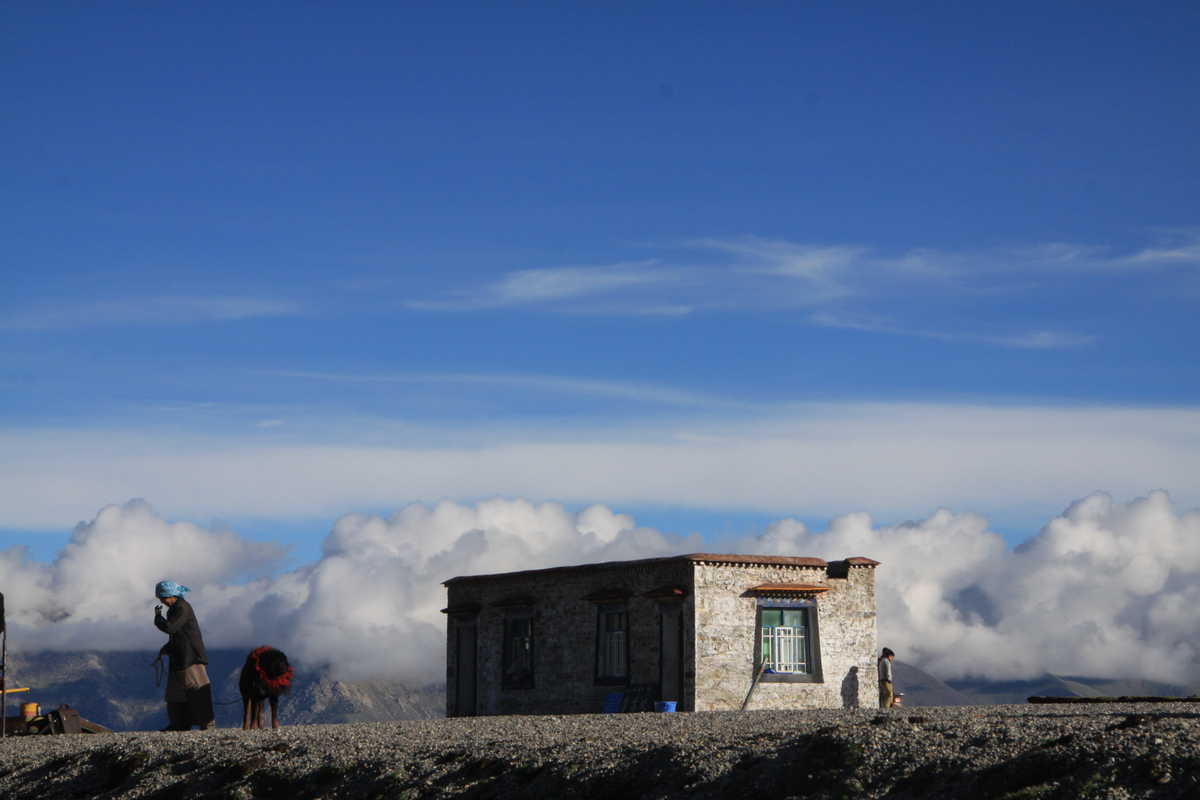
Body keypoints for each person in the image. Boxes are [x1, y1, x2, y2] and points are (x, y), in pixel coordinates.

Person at [153, 581, 215, 730]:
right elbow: (181, 634)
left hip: (190, 658)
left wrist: (158, 617)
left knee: (195, 691)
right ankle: (179, 723)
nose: (161, 600)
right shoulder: (176, 608)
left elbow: (170, 628)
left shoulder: (182, 608)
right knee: (176, 693)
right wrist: (168, 647)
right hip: (180, 658)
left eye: (162, 597)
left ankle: (207, 724)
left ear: (170, 595)